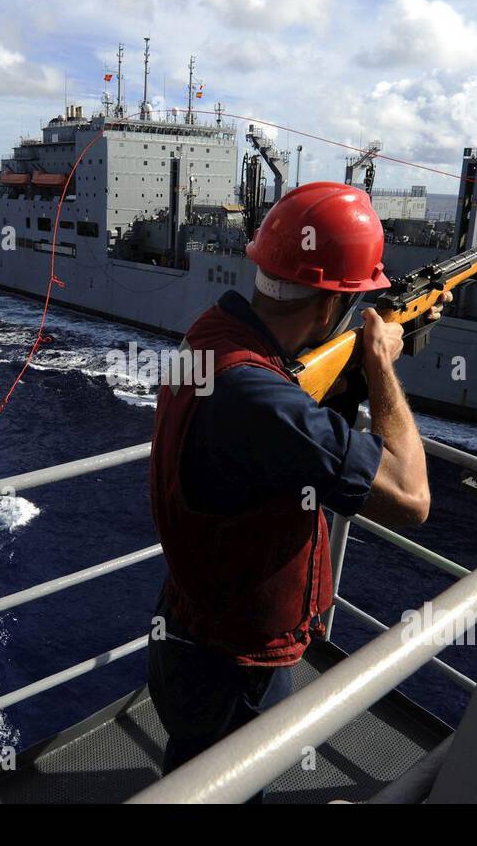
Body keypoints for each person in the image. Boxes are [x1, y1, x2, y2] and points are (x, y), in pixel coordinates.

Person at [147, 181, 444, 792]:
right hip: (237, 666)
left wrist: (360, 366)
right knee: (234, 785)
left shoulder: (215, 334)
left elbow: (286, 416)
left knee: (194, 778)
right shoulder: (256, 395)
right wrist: (380, 363)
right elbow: (412, 498)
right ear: (328, 305)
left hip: (190, 635)